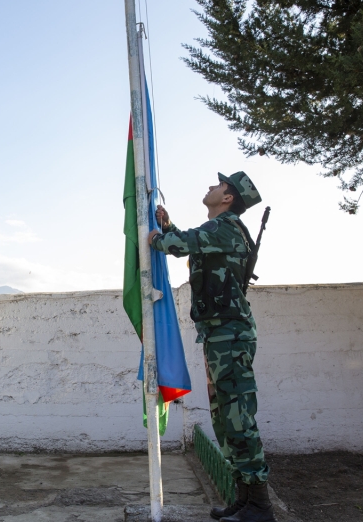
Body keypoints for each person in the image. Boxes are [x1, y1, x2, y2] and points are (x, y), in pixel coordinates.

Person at [147, 172, 275, 522]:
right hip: (219, 334)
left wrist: (156, 236)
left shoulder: (225, 228)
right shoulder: (220, 231)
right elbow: (191, 242)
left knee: (238, 418)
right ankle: (244, 500)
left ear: (228, 198)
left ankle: (260, 506)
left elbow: (179, 245)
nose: (210, 187)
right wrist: (169, 227)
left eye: (218, 185)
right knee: (224, 419)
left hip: (229, 335)